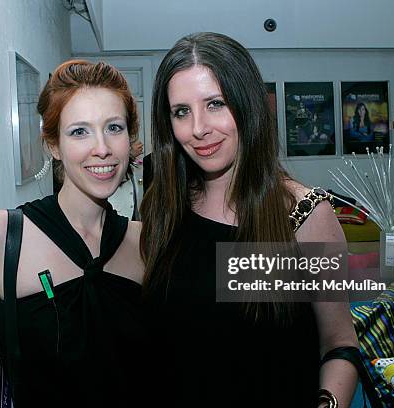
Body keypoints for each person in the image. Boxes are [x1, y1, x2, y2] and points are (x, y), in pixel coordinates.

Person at [140, 32, 359, 407]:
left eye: (215, 104)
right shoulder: (161, 208)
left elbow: (340, 344)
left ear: (247, 105)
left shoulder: (304, 215)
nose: (198, 128)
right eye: (181, 112)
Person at [0, 60, 155, 406]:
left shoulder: (144, 242)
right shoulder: (3, 236)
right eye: (79, 131)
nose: (102, 148)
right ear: (53, 145)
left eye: (114, 127)